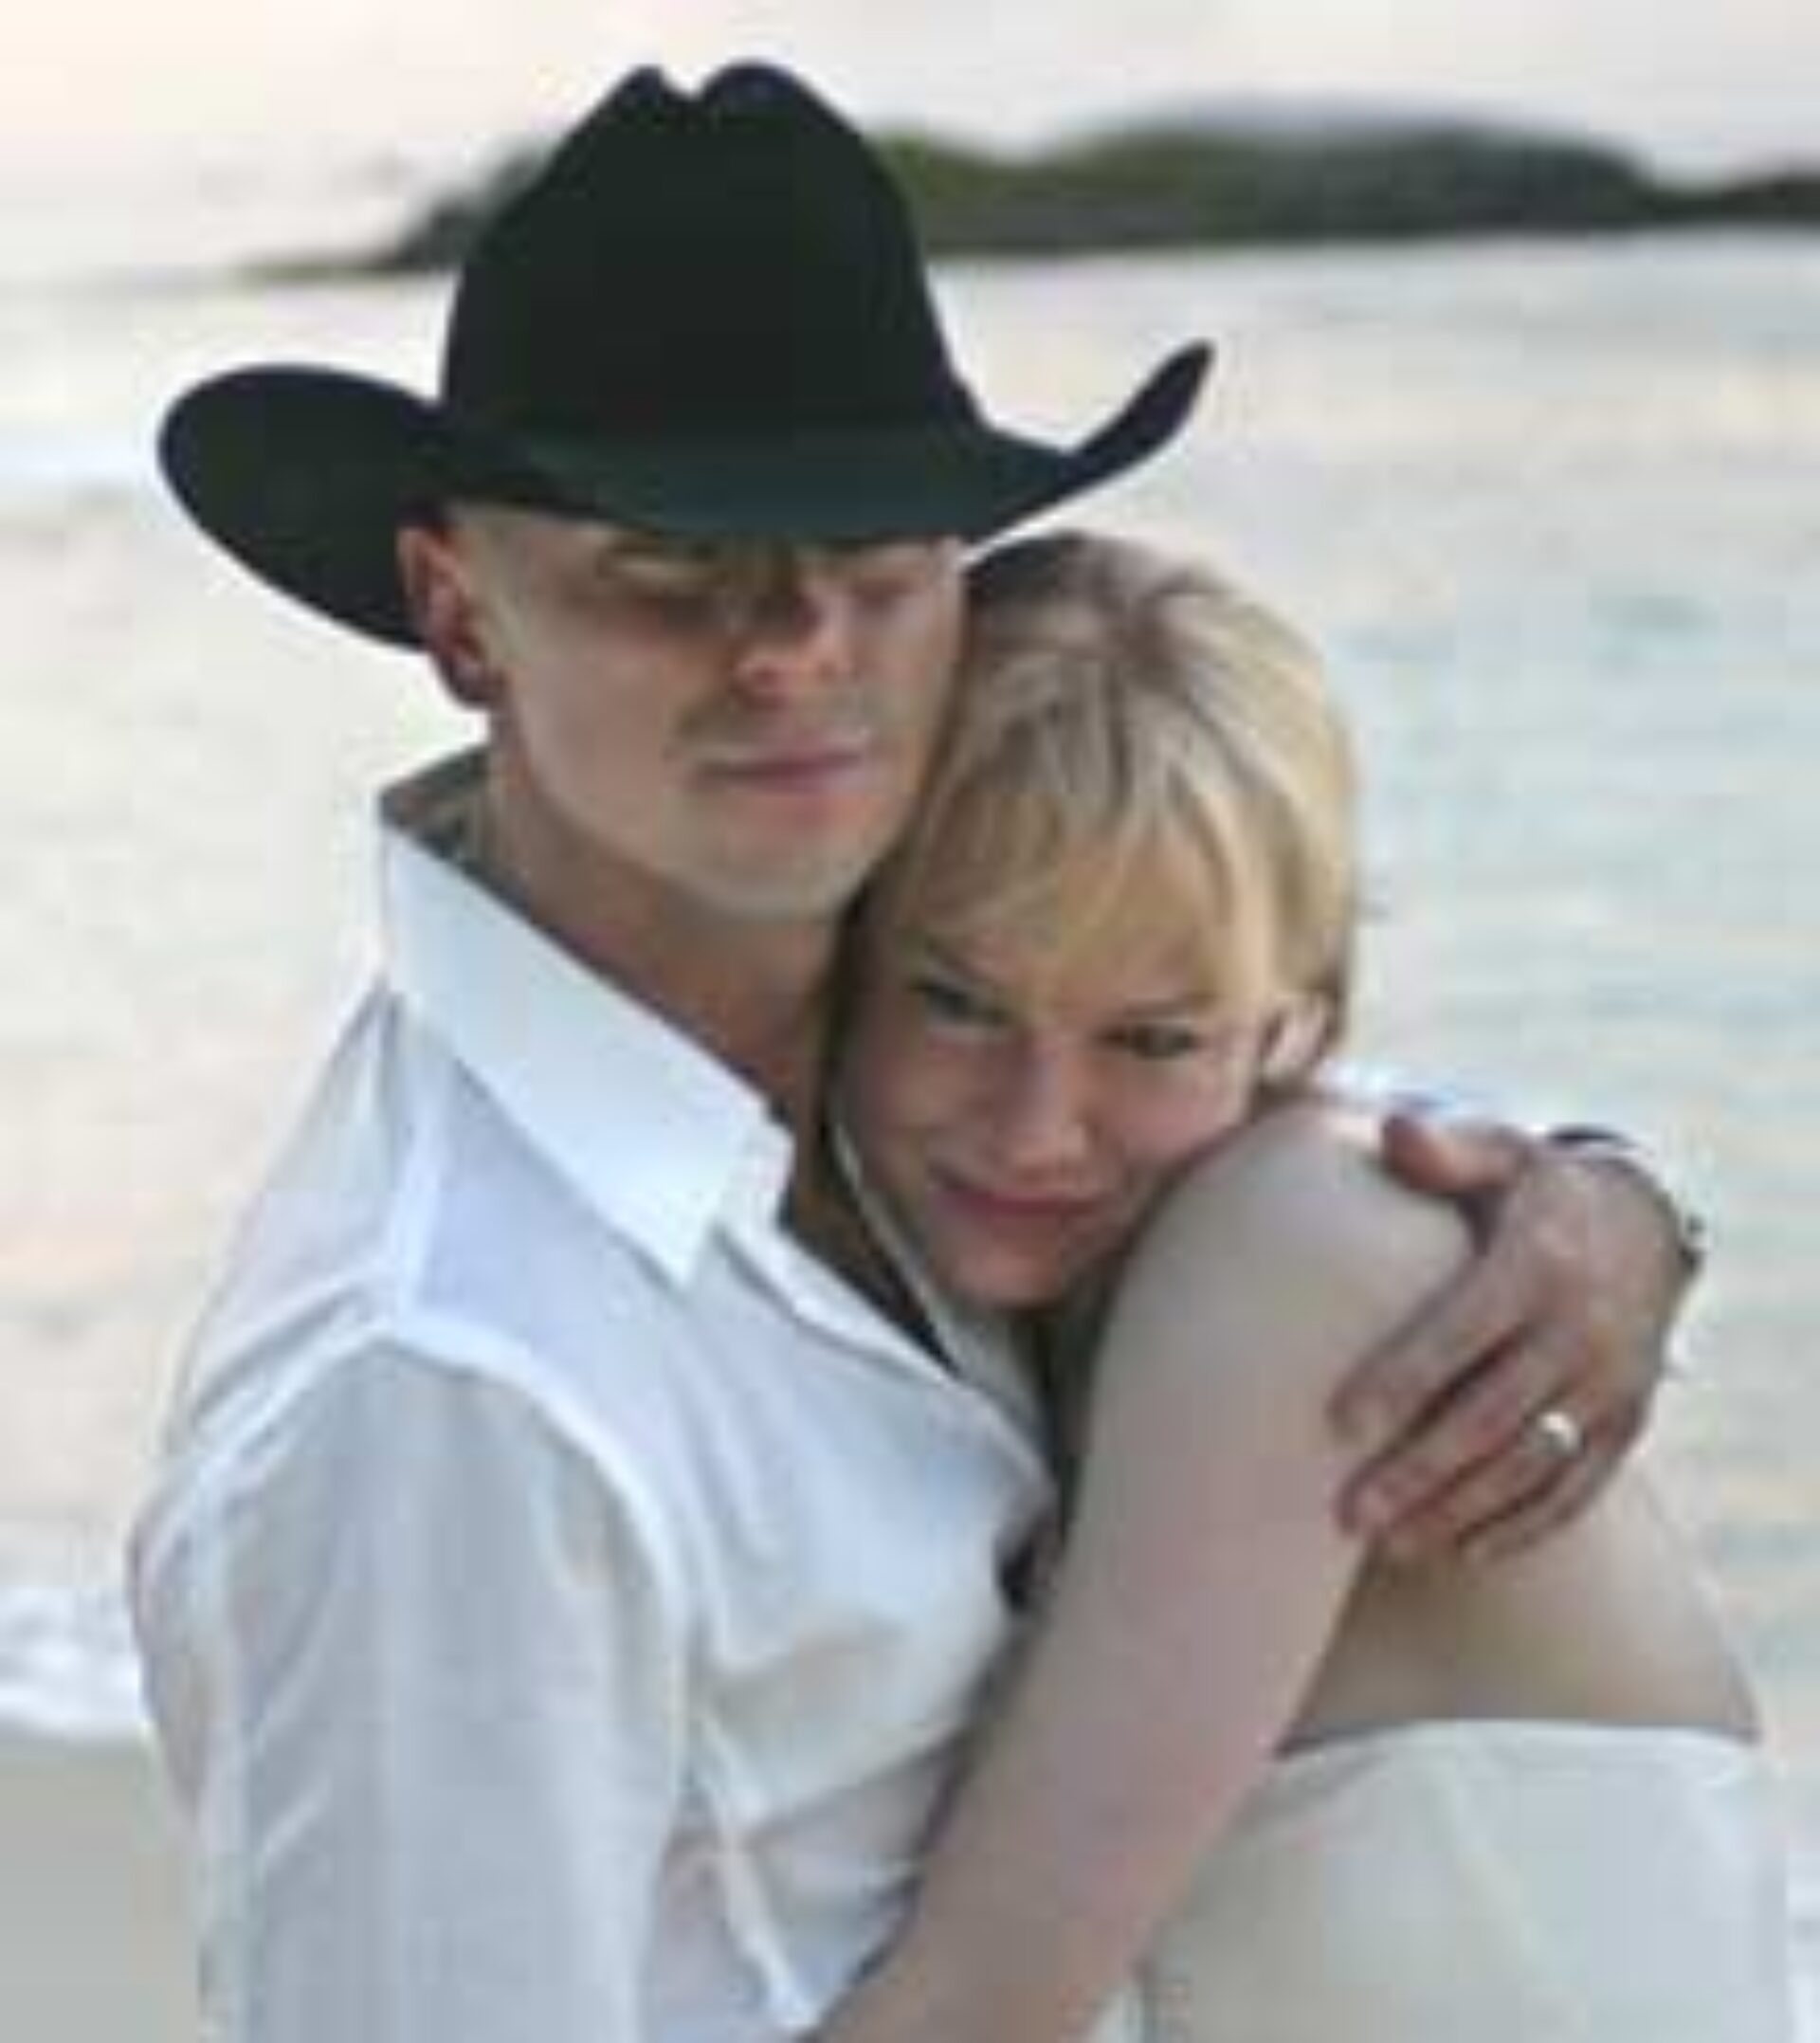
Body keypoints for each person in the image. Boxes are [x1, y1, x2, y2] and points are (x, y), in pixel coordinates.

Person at [128, 60, 1702, 2043]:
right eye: (670, 571)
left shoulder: (898, 1072)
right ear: (460, 613)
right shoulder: (451, 1393)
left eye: (874, 560)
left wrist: (1604, 1206)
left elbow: (1208, 1040)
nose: (796, 647)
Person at [822, 532, 1793, 2042]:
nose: (1035, 1128)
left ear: (1299, 1021)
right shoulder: (1055, 1305)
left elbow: (984, 2010)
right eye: (958, 1004)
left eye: (1153, 1040)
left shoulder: (1301, 1250)